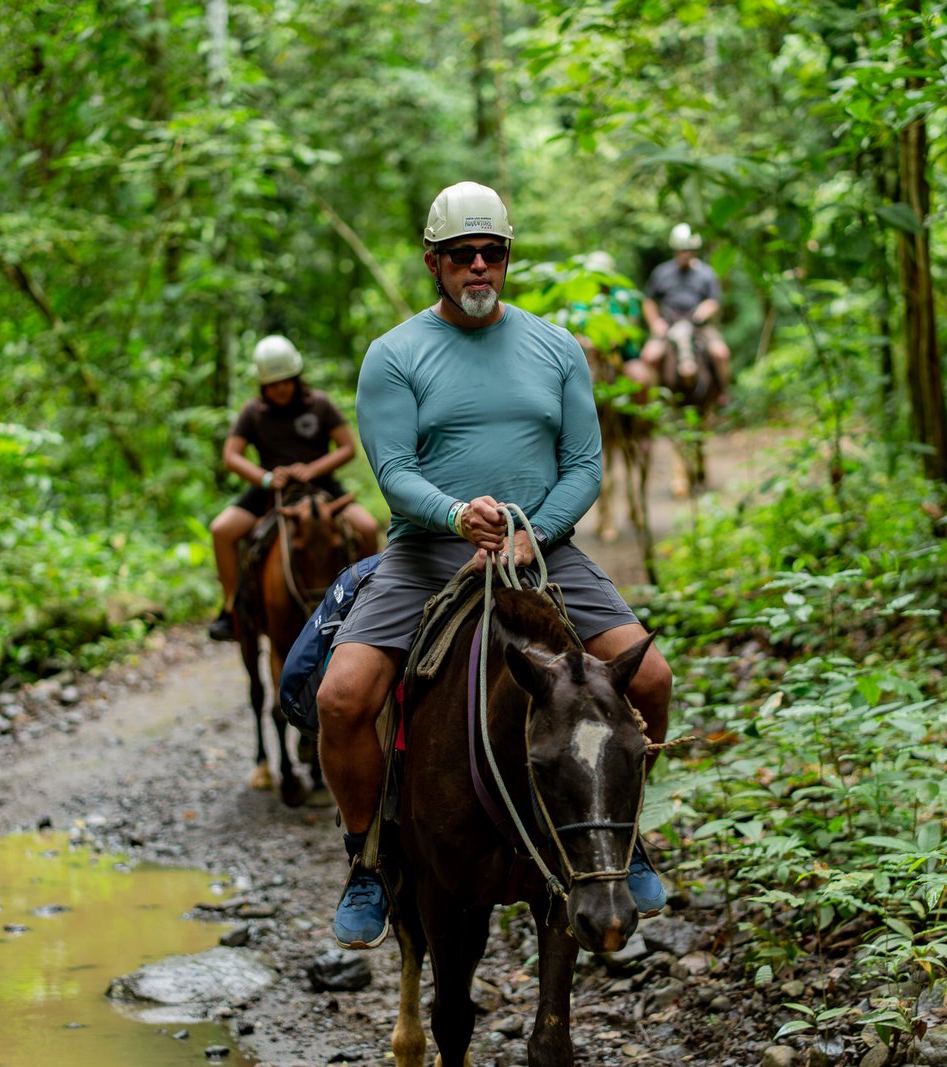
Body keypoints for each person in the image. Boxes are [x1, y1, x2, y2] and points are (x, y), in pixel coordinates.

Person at [315, 181, 674, 949]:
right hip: (427, 550)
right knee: (342, 696)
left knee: (651, 678)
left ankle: (624, 838)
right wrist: (453, 514)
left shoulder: (555, 349)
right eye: (461, 255)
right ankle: (367, 858)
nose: (478, 266)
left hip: (542, 546)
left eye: (492, 252)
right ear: (433, 262)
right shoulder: (395, 354)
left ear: (507, 258)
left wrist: (532, 534)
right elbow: (394, 469)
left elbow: (583, 463)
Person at [206, 335, 379, 642]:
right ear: (262, 385)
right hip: (272, 491)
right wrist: (266, 478)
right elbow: (231, 455)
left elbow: (347, 447)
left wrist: (312, 469)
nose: (280, 388)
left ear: (297, 377)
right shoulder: (253, 413)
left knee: (366, 527)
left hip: (322, 487)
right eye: (272, 384)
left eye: (285, 381)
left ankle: (371, 600)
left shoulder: (320, 405)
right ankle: (233, 608)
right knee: (221, 530)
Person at [635, 223, 731, 404]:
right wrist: (655, 323)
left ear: (695, 250)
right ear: (674, 250)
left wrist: (704, 311)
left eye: (689, 250)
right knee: (649, 356)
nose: (684, 254)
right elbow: (648, 301)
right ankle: (655, 400)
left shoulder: (706, 273)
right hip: (669, 323)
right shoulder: (662, 272)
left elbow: (715, 301)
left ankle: (723, 394)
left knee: (720, 353)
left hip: (699, 324)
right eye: (680, 250)